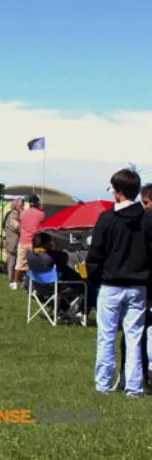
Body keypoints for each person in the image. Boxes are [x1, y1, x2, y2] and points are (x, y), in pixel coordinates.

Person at [86, 168, 152, 397]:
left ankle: (103, 385)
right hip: (138, 287)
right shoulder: (148, 219)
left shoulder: (107, 218)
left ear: (118, 191)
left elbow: (94, 256)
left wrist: (96, 282)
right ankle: (134, 387)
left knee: (106, 337)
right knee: (134, 338)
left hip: (111, 285)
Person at [15, 195, 45, 288]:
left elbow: (20, 210)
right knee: (35, 263)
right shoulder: (41, 214)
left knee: (19, 263)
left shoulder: (23, 213)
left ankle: (15, 283)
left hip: (23, 241)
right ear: (38, 203)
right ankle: (35, 282)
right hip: (34, 242)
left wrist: (20, 207)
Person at [3, 197, 25, 290]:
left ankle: (17, 279)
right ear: (16, 204)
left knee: (17, 260)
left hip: (16, 241)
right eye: (21, 203)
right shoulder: (13, 214)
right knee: (12, 259)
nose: (22, 204)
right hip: (13, 241)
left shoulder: (18, 213)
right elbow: (16, 226)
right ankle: (11, 279)